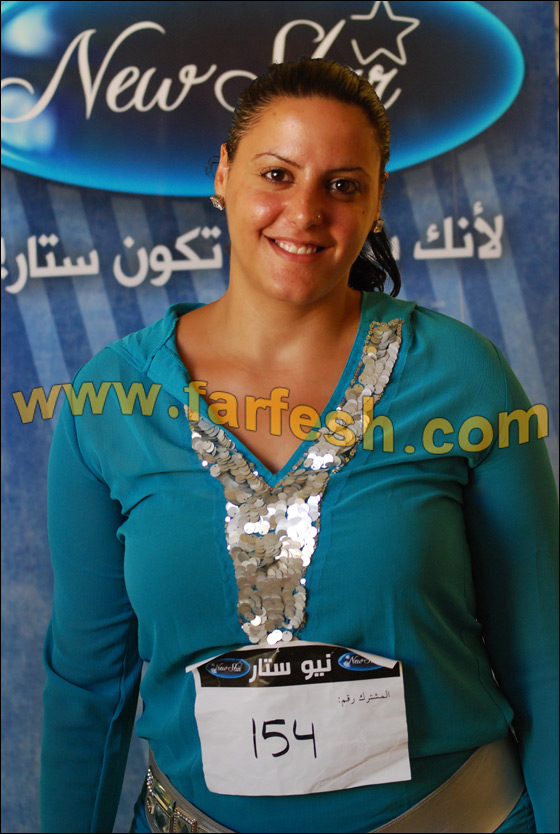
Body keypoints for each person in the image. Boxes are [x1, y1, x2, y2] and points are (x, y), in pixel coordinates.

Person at [41, 58, 558, 834]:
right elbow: (88, 686)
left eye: (342, 185)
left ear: (376, 201)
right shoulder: (110, 399)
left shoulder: (462, 376)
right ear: (223, 175)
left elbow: (545, 663)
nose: (306, 211)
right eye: (277, 174)